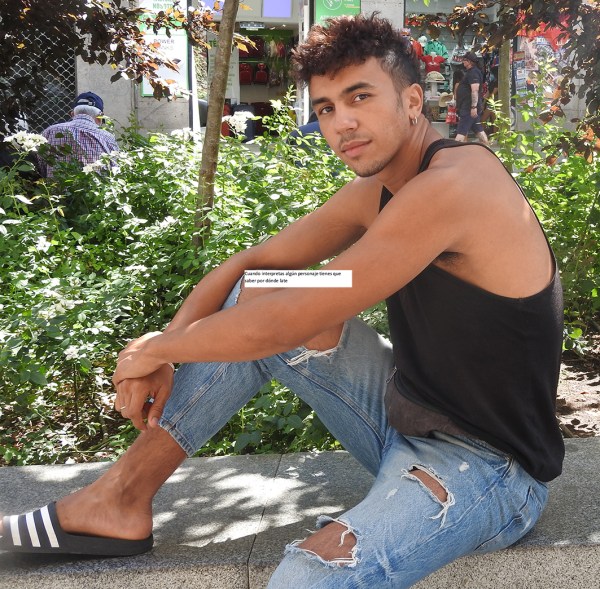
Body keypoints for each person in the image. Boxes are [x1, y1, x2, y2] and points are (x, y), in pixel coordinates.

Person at [0, 14, 565, 588]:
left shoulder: (455, 183)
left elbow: (287, 321)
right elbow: (252, 266)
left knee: (309, 573)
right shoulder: (379, 190)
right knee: (267, 287)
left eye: (360, 97)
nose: (342, 123)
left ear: (412, 100)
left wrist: (157, 349)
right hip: (404, 417)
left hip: (489, 469)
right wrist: (164, 347)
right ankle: (120, 498)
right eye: (325, 108)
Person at [37, 92, 118, 177]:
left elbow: (41, 166)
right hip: (96, 185)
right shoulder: (107, 137)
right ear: (100, 117)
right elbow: (115, 170)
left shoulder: (49, 132)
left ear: (72, 114)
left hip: (56, 185)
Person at [455, 52, 489, 144]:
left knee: (461, 130)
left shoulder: (474, 73)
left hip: (469, 107)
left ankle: (454, 149)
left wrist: (473, 107)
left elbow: (475, 90)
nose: (463, 62)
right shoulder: (471, 72)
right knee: (478, 130)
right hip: (469, 106)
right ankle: (487, 147)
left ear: (470, 61)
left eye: (464, 60)